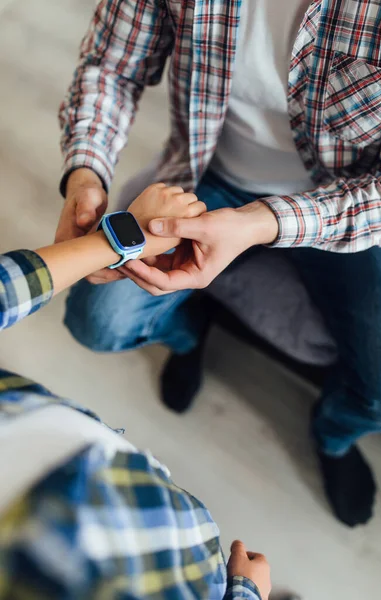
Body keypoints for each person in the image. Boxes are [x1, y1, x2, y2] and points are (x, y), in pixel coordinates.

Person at [56, 0, 381, 528]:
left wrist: (262, 222)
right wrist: (85, 173)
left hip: (344, 203)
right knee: (95, 321)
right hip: (206, 171)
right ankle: (188, 332)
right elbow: (112, 64)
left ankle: (333, 434)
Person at [0, 184, 272, 599]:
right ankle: (188, 338)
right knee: (99, 321)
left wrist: (114, 237)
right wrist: (246, 593)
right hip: (198, 573)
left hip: (141, 491)